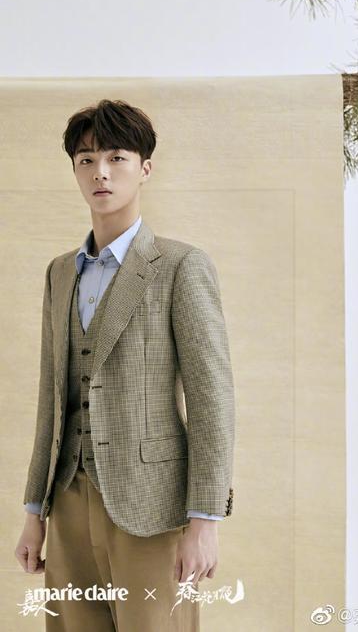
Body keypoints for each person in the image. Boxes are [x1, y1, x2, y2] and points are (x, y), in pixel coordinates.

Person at [14, 98, 236, 630]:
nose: (101, 172)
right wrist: (34, 512)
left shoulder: (180, 267)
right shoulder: (59, 273)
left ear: (145, 169)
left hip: (151, 507)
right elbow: (52, 399)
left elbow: (211, 400)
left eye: (116, 157)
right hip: (68, 501)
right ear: (75, 171)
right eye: (87, 160)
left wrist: (205, 520)